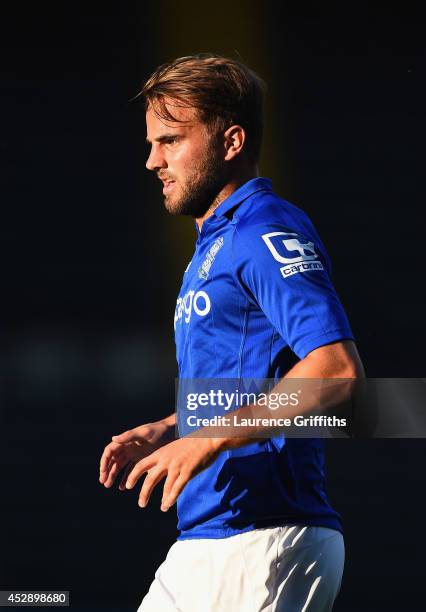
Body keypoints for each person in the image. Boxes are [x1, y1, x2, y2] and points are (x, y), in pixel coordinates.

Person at [99, 53, 364, 611]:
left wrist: (206, 437)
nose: (152, 160)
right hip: (212, 538)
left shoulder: (264, 229)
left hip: (264, 537)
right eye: (151, 143)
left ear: (232, 141)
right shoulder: (215, 243)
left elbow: (337, 374)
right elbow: (254, 378)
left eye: (170, 140)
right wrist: (176, 425)